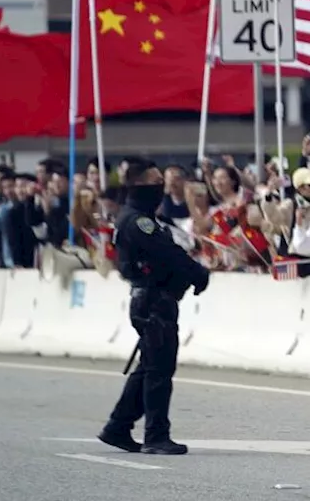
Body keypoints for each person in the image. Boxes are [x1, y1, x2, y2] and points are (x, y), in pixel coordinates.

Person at [98, 161, 210, 456]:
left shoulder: (142, 218)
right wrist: (197, 272)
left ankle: (118, 427)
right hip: (153, 301)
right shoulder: (138, 221)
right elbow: (168, 253)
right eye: (155, 181)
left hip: (156, 299)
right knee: (159, 370)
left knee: (149, 368)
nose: (161, 187)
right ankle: (156, 435)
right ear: (139, 185)